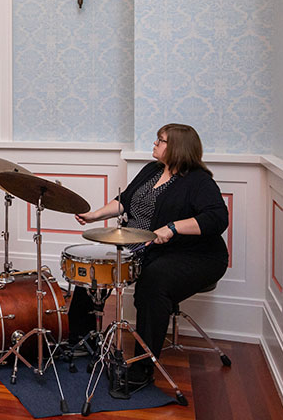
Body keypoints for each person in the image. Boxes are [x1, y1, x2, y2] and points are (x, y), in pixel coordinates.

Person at [70, 123, 228, 388]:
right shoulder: (151, 171)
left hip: (195, 256)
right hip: (144, 248)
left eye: (161, 140)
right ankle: (81, 341)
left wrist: (173, 227)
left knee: (153, 282)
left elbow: (217, 218)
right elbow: (126, 200)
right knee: (94, 268)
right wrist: (93, 215)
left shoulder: (199, 181)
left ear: (177, 147)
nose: (155, 144)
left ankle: (143, 368)